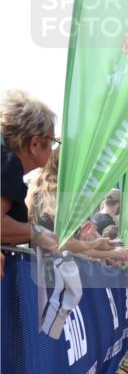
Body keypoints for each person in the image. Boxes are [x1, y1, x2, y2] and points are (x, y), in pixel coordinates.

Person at [1, 89, 59, 255]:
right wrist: (35, 233)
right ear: (34, 144)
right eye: (52, 141)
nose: (53, 148)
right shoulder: (9, 163)